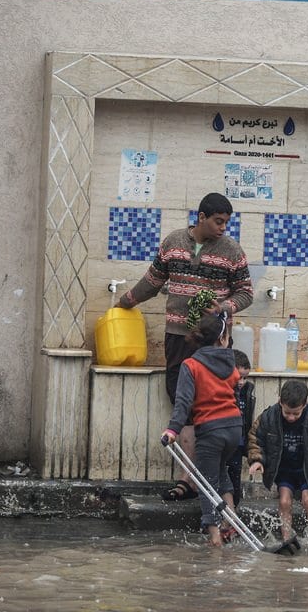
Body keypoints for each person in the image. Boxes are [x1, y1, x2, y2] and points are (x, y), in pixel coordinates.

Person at [119, 192, 253, 502]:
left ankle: (202, 479)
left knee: (213, 402)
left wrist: (223, 307)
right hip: (178, 336)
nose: (223, 228)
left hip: (214, 341)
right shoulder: (172, 242)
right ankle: (189, 476)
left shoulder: (232, 252)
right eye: (218, 221)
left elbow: (246, 292)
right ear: (202, 217)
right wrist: (126, 302)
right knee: (181, 400)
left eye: (227, 223)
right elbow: (153, 280)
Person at [160, 316, 242, 547]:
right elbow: (235, 394)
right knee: (220, 472)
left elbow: (183, 402)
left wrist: (173, 430)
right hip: (234, 428)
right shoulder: (231, 364)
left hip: (211, 429)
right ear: (223, 339)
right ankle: (231, 522)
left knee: (206, 483)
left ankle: (215, 538)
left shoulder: (191, 365)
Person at [247, 379, 308, 541]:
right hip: (284, 470)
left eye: (296, 413)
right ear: (280, 402)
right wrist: (257, 460)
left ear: (305, 405)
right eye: (287, 412)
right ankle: (286, 538)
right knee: (284, 501)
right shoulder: (269, 417)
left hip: (307, 470)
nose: (291, 417)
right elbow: (255, 438)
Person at [226, 349, 255, 509]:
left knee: (235, 476)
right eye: (239, 377)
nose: (242, 381)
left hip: (239, 442)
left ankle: (233, 509)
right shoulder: (225, 391)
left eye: (245, 377)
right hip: (225, 441)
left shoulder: (247, 391)